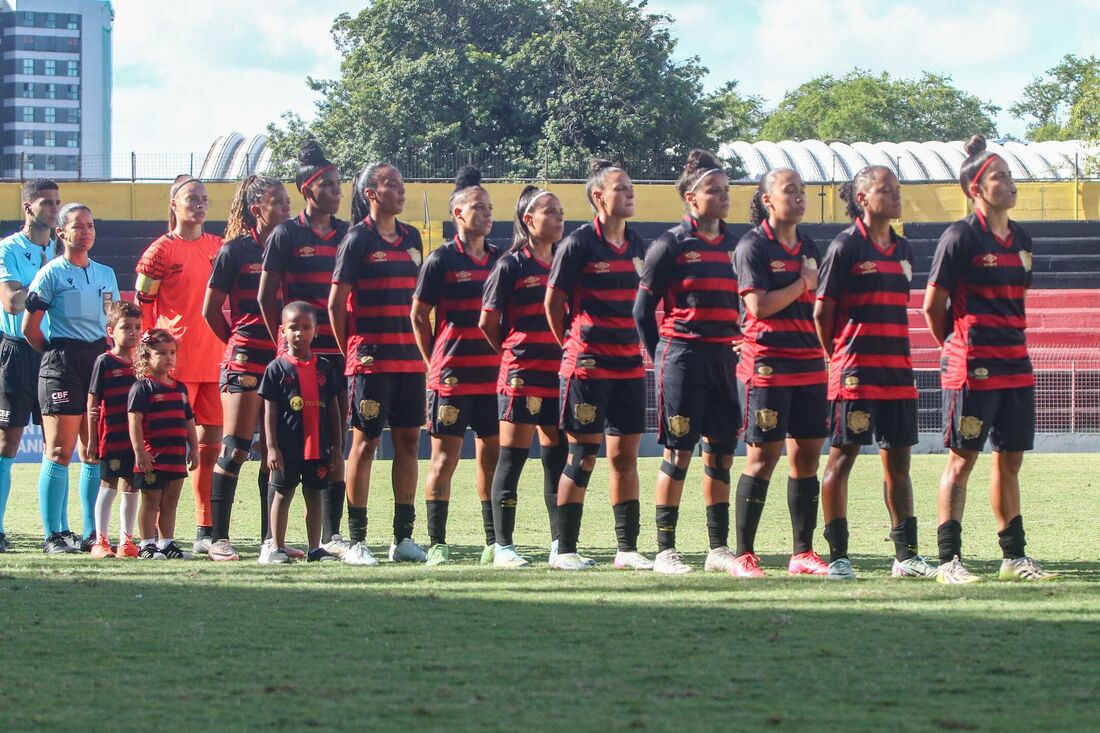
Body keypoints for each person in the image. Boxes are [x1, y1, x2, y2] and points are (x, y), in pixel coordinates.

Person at [921, 134, 1055, 583]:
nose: (1011, 184)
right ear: (975, 188)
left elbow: (1019, 296)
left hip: (1015, 366)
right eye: (1000, 176)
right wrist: (955, 347)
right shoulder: (959, 236)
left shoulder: (1022, 238)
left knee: (1009, 462)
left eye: (1011, 175)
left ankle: (1013, 557)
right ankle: (948, 561)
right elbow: (931, 305)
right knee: (962, 460)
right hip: (971, 369)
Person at [814, 166, 937, 580]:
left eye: (897, 189)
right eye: (887, 190)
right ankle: (839, 557)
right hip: (855, 374)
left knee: (899, 463)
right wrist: (837, 357)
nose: (896, 196)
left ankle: (906, 557)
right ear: (864, 198)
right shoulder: (845, 246)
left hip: (898, 372)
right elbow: (822, 312)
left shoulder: (903, 249)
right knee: (842, 457)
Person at [633, 150, 743, 575]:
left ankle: (717, 548)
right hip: (682, 359)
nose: (723, 197)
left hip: (725, 360)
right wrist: (662, 354)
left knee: (720, 454)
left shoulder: (738, 245)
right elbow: (643, 311)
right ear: (691, 198)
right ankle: (666, 549)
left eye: (726, 190)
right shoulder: (671, 245)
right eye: (714, 191)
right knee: (677, 453)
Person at [545, 160, 653, 571]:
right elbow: (552, 305)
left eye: (631, 187)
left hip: (628, 366)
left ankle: (626, 549)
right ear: (597, 197)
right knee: (583, 454)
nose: (629, 193)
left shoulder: (640, 244)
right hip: (587, 369)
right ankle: (566, 550)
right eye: (620, 187)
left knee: (625, 457)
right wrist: (573, 346)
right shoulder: (578, 244)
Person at [731, 168, 828, 578]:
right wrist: (803, 284)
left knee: (806, 458)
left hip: (809, 364)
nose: (800, 197)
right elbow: (758, 307)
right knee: (762, 458)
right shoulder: (752, 245)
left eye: (803, 191)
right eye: (791, 190)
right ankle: (744, 554)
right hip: (767, 365)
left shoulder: (811, 246)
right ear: (768, 199)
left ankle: (802, 552)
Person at [330, 163, 426, 565]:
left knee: (408, 444)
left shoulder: (413, 238)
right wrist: (351, 350)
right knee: (365, 444)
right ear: (370, 192)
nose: (401, 191)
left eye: (402, 185)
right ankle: (357, 540)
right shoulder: (356, 240)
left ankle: (402, 538)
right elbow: (336, 305)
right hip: (370, 362)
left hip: (409, 360)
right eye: (392, 185)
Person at [260, 140, 351, 558]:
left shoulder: (349, 233)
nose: (338, 191)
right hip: (299, 358)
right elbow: (266, 297)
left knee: (334, 440)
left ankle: (330, 537)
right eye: (329, 185)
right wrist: (285, 342)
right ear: (308, 189)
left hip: (338, 354)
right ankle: (272, 539)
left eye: (339, 184)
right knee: (286, 442)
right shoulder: (286, 233)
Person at [411, 166, 502, 566]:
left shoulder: (502, 260)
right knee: (444, 459)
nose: (485, 213)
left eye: (489, 208)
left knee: (491, 458)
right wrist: (434, 362)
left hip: (493, 377)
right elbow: (419, 315)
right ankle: (437, 543)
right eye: (477, 207)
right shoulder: (440, 260)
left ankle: (494, 541)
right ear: (458, 215)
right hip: (450, 377)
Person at [203, 176, 292, 562]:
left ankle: (269, 540)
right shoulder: (234, 251)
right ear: (257, 210)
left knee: (276, 450)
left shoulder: (293, 248)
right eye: (279, 202)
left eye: (289, 201)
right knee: (236, 447)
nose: (288, 208)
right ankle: (217, 538)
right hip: (245, 358)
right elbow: (210, 310)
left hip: (283, 360)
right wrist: (238, 344)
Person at [479, 185, 567, 568]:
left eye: (561, 211)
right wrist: (514, 352)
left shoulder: (565, 261)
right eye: (550, 211)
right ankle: (503, 547)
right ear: (529, 221)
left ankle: (560, 544)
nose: (559, 217)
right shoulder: (511, 265)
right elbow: (487, 321)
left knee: (557, 459)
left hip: (560, 373)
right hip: (521, 373)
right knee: (511, 459)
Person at [23, 203, 119, 554]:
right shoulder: (50, 274)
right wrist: (56, 357)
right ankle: (55, 534)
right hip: (62, 362)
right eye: (78, 226)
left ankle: (93, 533)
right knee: (60, 451)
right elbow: (29, 328)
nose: (87, 232)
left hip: (97, 362)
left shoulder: (106, 274)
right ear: (62, 232)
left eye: (91, 226)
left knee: (92, 451)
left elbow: (113, 320)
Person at [135, 176, 223, 553]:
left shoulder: (218, 248)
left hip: (215, 363)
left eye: (204, 198)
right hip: (175, 370)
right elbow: (143, 305)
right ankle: (152, 537)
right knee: (167, 455)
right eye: (192, 198)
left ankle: (205, 528)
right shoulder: (159, 251)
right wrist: (152, 359)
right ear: (174, 204)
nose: (200, 204)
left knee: (211, 449)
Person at [0, 179, 60, 552]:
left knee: (61, 444)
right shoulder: (8, 248)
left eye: (57, 203)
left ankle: (59, 531)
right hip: (16, 352)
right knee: (8, 443)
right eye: (47, 203)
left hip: (54, 353)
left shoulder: (62, 248)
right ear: (28, 208)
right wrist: (46, 282)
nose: (54, 209)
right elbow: (11, 302)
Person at [260, 302, 344, 563]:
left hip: (317, 446)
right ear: (282, 331)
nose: (300, 333)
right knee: (282, 494)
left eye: (306, 327)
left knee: (314, 495)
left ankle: (314, 548)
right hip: (287, 448)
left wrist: (338, 447)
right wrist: (272, 447)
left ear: (316, 331)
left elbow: (333, 410)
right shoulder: (276, 369)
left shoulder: (325, 369)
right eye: (293, 328)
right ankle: (277, 547)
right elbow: (270, 411)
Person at [128, 329, 198, 560]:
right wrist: (140, 452)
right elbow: (134, 421)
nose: (169, 357)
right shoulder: (142, 388)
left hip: (176, 456)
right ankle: (147, 544)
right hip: (152, 457)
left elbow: (189, 420)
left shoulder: (180, 389)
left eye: (172, 352)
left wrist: (194, 449)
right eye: (161, 353)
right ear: (147, 356)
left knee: (171, 501)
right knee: (151, 500)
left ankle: (166, 543)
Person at [85, 300, 143, 559]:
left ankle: (126, 541)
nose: (133, 332)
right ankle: (101, 540)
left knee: (131, 486)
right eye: (126, 327)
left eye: (137, 327)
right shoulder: (104, 362)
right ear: (111, 331)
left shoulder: (143, 362)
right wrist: (91, 440)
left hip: (136, 438)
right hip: (112, 435)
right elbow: (93, 401)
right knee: (108, 485)